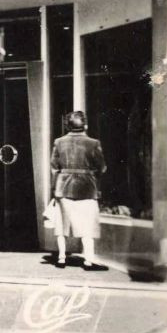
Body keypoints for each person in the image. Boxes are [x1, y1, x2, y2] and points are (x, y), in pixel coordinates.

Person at [49, 110, 108, 271]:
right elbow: (101, 167)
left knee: (62, 225)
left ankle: (61, 258)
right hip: (87, 188)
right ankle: (89, 260)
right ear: (85, 125)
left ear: (68, 125)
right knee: (87, 225)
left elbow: (54, 168)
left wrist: (55, 188)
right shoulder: (93, 143)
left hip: (63, 187)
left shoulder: (58, 142)